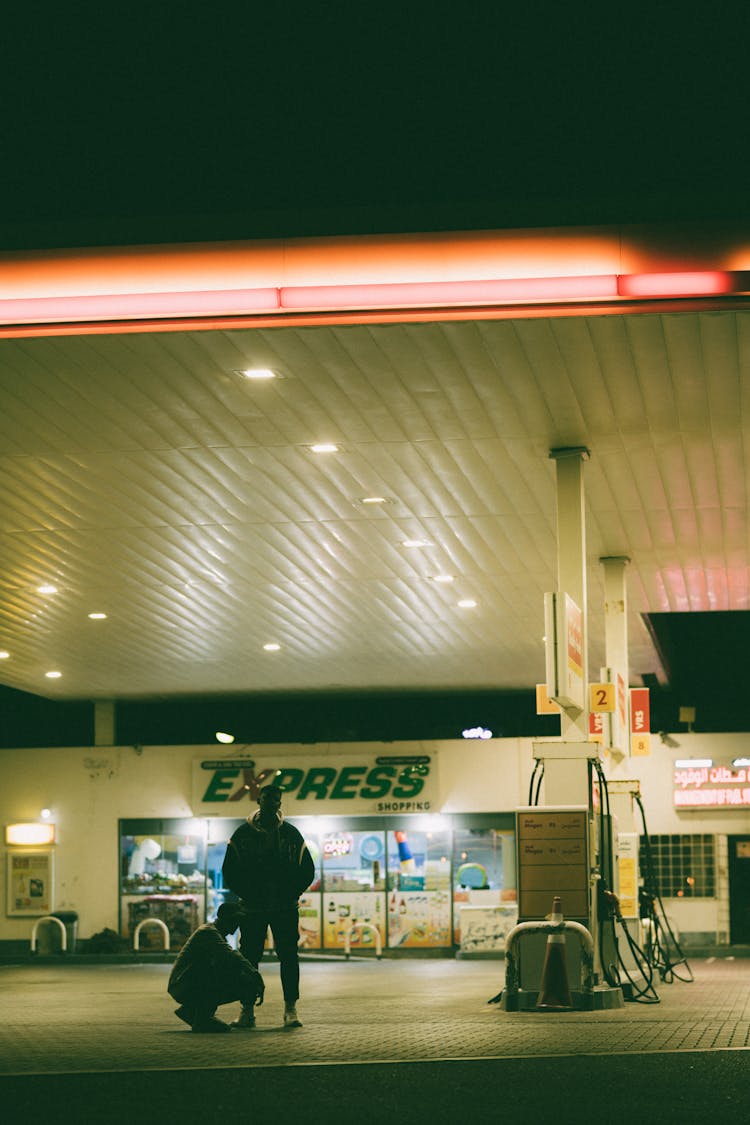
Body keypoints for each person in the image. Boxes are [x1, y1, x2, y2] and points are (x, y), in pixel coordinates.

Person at [221, 783, 314, 1028]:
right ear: (259, 801)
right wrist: (247, 895)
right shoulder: (242, 835)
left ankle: (290, 1009)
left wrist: (291, 893)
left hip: (284, 907)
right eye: (266, 798)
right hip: (253, 908)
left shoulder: (292, 835)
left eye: (275, 799)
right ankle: (247, 1010)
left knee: (289, 957)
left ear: (280, 803)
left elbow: (308, 870)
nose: (270, 803)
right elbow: (229, 871)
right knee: (248, 959)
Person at [167, 901, 264, 1033]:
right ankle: (202, 1017)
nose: (236, 925)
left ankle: (192, 1010)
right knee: (230, 970)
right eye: (234, 920)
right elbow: (231, 955)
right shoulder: (208, 932)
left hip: (184, 983)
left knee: (239, 976)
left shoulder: (217, 934)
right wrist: (254, 974)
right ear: (223, 918)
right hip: (181, 985)